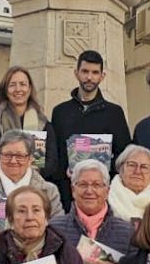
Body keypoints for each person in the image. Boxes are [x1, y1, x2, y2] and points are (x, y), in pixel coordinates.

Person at [49, 49, 132, 206]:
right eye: (85, 71)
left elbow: (124, 155)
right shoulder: (60, 112)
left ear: (102, 76)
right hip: (66, 194)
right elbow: (55, 154)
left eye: (95, 72)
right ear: (76, 73)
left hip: (101, 196)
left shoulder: (114, 113)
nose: (89, 77)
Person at [0, 66, 62, 186]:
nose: (18, 89)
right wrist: (12, 171)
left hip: (34, 187)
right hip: (2, 185)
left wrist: (29, 173)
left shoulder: (43, 124)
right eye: (12, 85)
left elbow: (52, 161)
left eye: (22, 84)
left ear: (30, 88)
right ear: (5, 90)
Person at [50, 158, 136, 259]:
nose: (89, 191)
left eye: (96, 185)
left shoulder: (127, 232)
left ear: (107, 191)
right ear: (73, 190)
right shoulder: (54, 229)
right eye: (83, 184)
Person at [108, 144, 150, 224]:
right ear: (121, 169)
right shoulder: (104, 199)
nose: (137, 171)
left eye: (144, 167)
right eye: (132, 165)